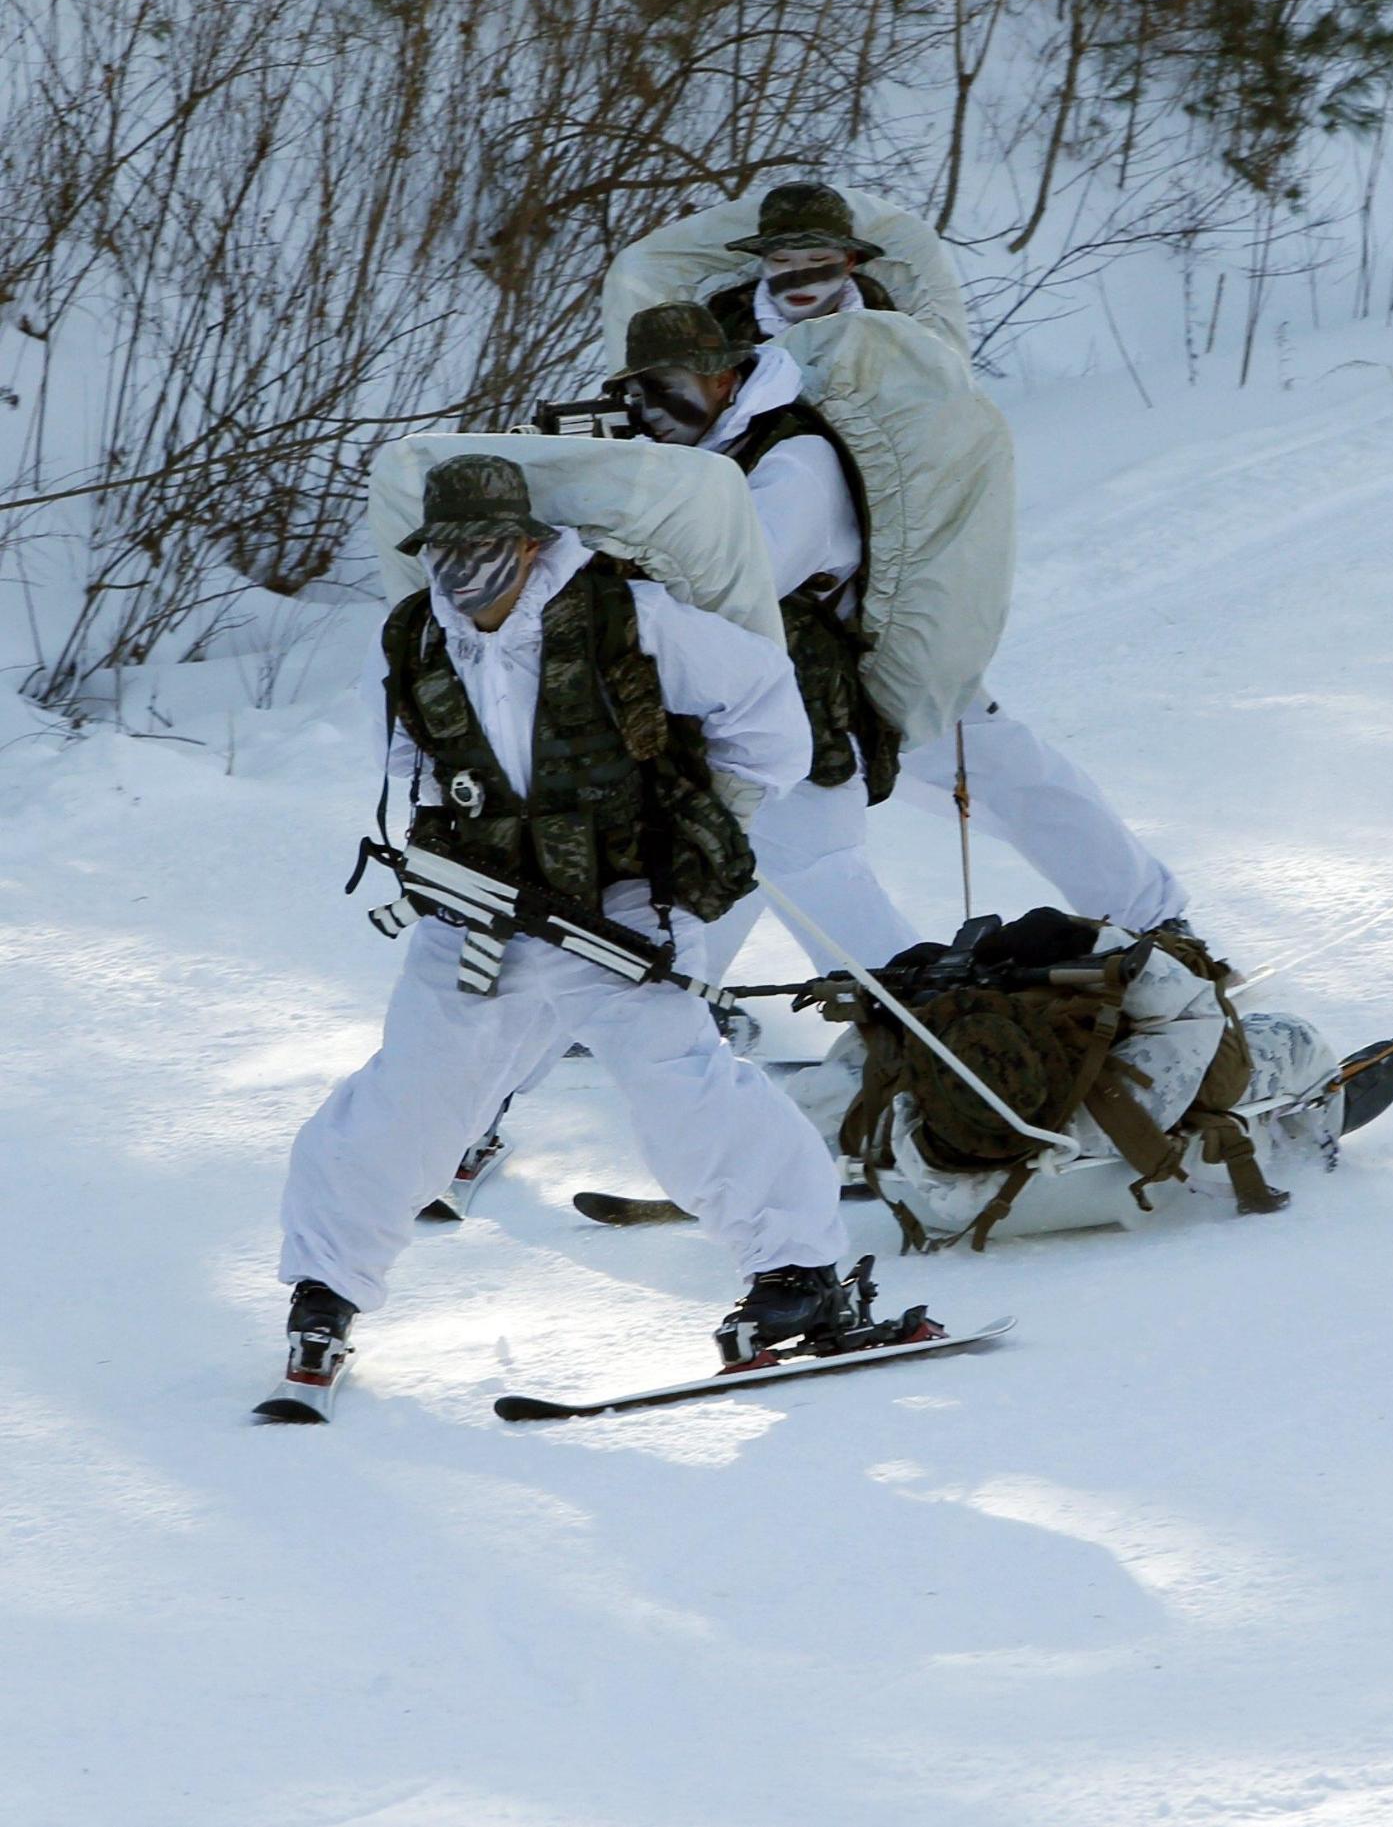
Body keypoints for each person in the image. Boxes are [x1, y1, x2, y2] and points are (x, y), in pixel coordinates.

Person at [274, 456, 887, 1400]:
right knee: (413, 1092)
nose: (464, 566)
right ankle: (325, 1291)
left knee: (679, 1083)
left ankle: (798, 1276)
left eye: (485, 545)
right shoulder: (411, 640)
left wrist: (709, 816)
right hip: (478, 907)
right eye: (444, 547)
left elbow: (766, 708)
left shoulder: (620, 615)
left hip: (622, 902)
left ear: (528, 543)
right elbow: (407, 755)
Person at [604, 302, 1192, 974]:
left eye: (667, 385)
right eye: (638, 390)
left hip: (840, 698)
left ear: (725, 379)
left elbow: (737, 579)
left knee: (972, 793)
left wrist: (624, 531)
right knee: (760, 849)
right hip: (769, 701)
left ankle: (1122, 930)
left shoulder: (794, 462)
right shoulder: (710, 452)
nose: (650, 407)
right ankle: (681, 993)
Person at [703, 181, 898, 339]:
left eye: (817, 259)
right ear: (763, 262)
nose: (799, 279)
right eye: (781, 260)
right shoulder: (728, 316)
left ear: (848, 262)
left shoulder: (880, 312)